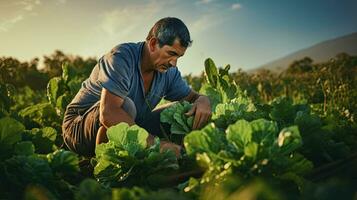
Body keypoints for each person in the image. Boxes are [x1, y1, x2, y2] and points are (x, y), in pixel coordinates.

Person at [62, 17, 211, 157]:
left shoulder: (168, 72)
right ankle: (104, 166)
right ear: (153, 44)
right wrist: (156, 144)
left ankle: (180, 156)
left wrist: (203, 100)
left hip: (131, 124)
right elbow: (108, 113)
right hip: (78, 129)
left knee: (181, 108)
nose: (173, 63)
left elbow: (193, 97)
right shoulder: (121, 57)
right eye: (170, 53)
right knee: (126, 106)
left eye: (178, 57)